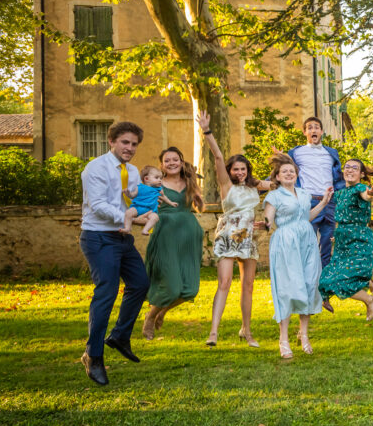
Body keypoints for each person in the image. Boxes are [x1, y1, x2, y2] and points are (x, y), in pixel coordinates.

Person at [78, 121, 150, 385]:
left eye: (133, 144)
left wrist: (147, 213)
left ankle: (119, 336)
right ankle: (93, 355)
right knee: (106, 293)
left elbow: (131, 203)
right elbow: (97, 206)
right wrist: (129, 220)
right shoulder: (95, 168)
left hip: (122, 237)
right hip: (98, 237)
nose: (129, 148)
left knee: (141, 284)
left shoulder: (131, 172)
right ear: (112, 141)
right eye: (125, 142)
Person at [197, 113, 272, 348]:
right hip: (229, 235)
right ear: (229, 171)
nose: (240, 172)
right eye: (236, 169)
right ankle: (213, 332)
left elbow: (285, 179)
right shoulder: (226, 185)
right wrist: (207, 132)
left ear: (248, 170)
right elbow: (218, 156)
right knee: (224, 282)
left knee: (248, 285)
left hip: (249, 236)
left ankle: (247, 331)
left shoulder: (256, 186)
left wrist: (283, 158)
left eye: (243, 169)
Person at [264, 153, 333, 359]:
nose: (288, 174)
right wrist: (266, 224)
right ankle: (283, 339)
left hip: (307, 241)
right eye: (284, 171)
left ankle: (303, 335)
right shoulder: (274, 196)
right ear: (277, 176)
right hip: (285, 242)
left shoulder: (304, 194)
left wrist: (324, 202)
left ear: (296, 174)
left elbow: (307, 217)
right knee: (287, 288)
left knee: (309, 285)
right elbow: (268, 218)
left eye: (291, 171)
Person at [142, 146, 205, 340]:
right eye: (167, 160)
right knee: (172, 286)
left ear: (181, 161)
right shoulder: (155, 185)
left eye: (175, 159)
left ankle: (162, 312)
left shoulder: (189, 182)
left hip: (189, 236)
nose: (171, 163)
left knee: (190, 289)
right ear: (161, 165)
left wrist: (198, 199)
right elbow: (142, 207)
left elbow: (199, 206)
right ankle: (150, 317)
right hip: (166, 236)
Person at [318, 159, 373, 321]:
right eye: (347, 167)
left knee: (340, 280)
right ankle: (367, 283)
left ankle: (369, 299)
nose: (350, 170)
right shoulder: (340, 193)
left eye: (355, 168)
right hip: (342, 240)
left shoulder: (360, 188)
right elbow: (342, 218)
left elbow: (365, 195)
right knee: (327, 277)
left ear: (361, 174)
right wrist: (338, 235)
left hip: (359, 239)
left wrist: (370, 194)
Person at [283, 117, 345, 271]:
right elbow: (283, 172)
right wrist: (258, 186)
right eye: (309, 128)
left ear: (322, 131)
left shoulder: (331, 153)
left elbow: (340, 178)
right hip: (308, 202)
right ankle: (307, 282)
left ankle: (323, 288)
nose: (313, 130)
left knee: (326, 245)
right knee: (307, 244)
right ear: (305, 132)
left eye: (316, 127)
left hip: (330, 203)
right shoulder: (297, 153)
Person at [123, 165, 178, 235]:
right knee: (128, 212)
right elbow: (133, 195)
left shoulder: (159, 189)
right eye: (156, 178)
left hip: (150, 211)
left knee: (155, 217)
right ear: (146, 179)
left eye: (161, 178)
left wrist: (171, 203)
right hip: (138, 207)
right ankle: (127, 228)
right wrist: (128, 193)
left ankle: (145, 230)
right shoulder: (140, 187)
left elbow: (164, 197)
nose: (160, 180)